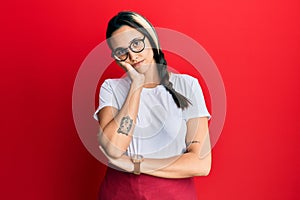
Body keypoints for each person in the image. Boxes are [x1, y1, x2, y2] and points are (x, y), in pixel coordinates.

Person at [94, 11, 211, 200]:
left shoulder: (187, 85)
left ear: (152, 39)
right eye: (122, 51)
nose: (132, 55)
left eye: (136, 44)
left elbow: (201, 164)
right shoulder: (111, 88)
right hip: (120, 193)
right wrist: (136, 86)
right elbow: (114, 149)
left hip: (173, 194)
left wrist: (136, 165)